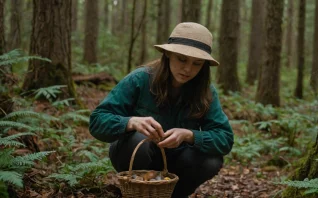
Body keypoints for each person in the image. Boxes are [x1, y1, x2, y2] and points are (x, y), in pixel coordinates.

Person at [89, 22, 234, 198]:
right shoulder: (140, 79)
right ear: (168, 54)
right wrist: (130, 122)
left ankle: (174, 195)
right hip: (134, 155)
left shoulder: (206, 92)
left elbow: (225, 138)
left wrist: (189, 135)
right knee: (138, 138)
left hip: (176, 162)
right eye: (182, 59)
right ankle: (137, 193)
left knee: (211, 161)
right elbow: (97, 121)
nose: (188, 69)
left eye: (197, 63)